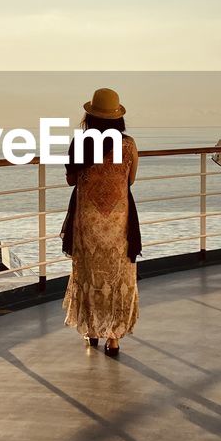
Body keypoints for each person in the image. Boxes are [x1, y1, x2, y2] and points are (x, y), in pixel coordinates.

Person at [61, 87, 140, 355]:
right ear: (118, 119)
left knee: (89, 273)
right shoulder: (128, 145)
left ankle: (92, 330)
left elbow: (71, 180)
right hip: (119, 220)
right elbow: (130, 180)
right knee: (117, 274)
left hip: (87, 220)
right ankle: (114, 338)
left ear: (90, 117)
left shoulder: (81, 143)